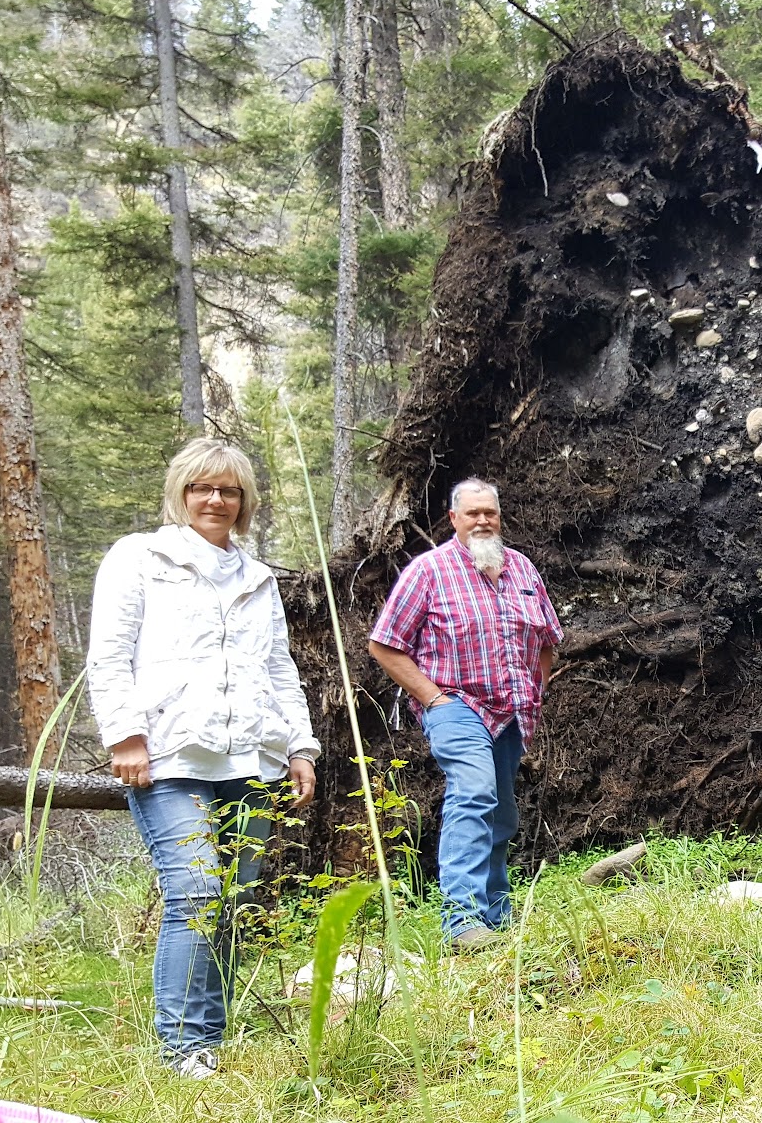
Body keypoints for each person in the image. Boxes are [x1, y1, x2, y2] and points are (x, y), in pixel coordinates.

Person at [88, 438, 319, 1079]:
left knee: (235, 893)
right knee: (195, 890)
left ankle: (209, 1034)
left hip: (252, 759)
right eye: (202, 488)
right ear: (182, 493)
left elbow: (279, 668)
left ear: (244, 502)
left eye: (229, 490)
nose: (215, 499)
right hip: (168, 755)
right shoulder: (140, 557)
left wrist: (299, 746)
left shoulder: (257, 577)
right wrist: (126, 737)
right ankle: (183, 1045)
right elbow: (108, 654)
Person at [368, 478, 561, 951]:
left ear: (499, 516)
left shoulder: (521, 569)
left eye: (489, 513)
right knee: (474, 793)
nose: (482, 521)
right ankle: (462, 922)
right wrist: (433, 699)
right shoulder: (428, 571)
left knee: (503, 814)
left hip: (513, 713)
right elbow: (385, 644)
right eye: (471, 513)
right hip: (456, 707)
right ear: (453, 518)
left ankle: (496, 919)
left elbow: (548, 639)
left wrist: (534, 688)